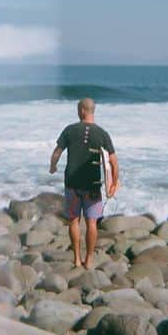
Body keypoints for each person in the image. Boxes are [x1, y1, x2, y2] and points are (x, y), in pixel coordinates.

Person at [49, 97, 119, 268]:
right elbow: (113, 162)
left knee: (73, 221)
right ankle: (88, 259)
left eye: (77, 109)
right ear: (92, 111)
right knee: (92, 223)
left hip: (72, 184)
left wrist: (53, 166)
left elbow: (57, 152)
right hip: (92, 185)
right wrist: (113, 183)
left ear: (81, 110)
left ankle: (76, 259)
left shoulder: (70, 130)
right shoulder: (102, 133)